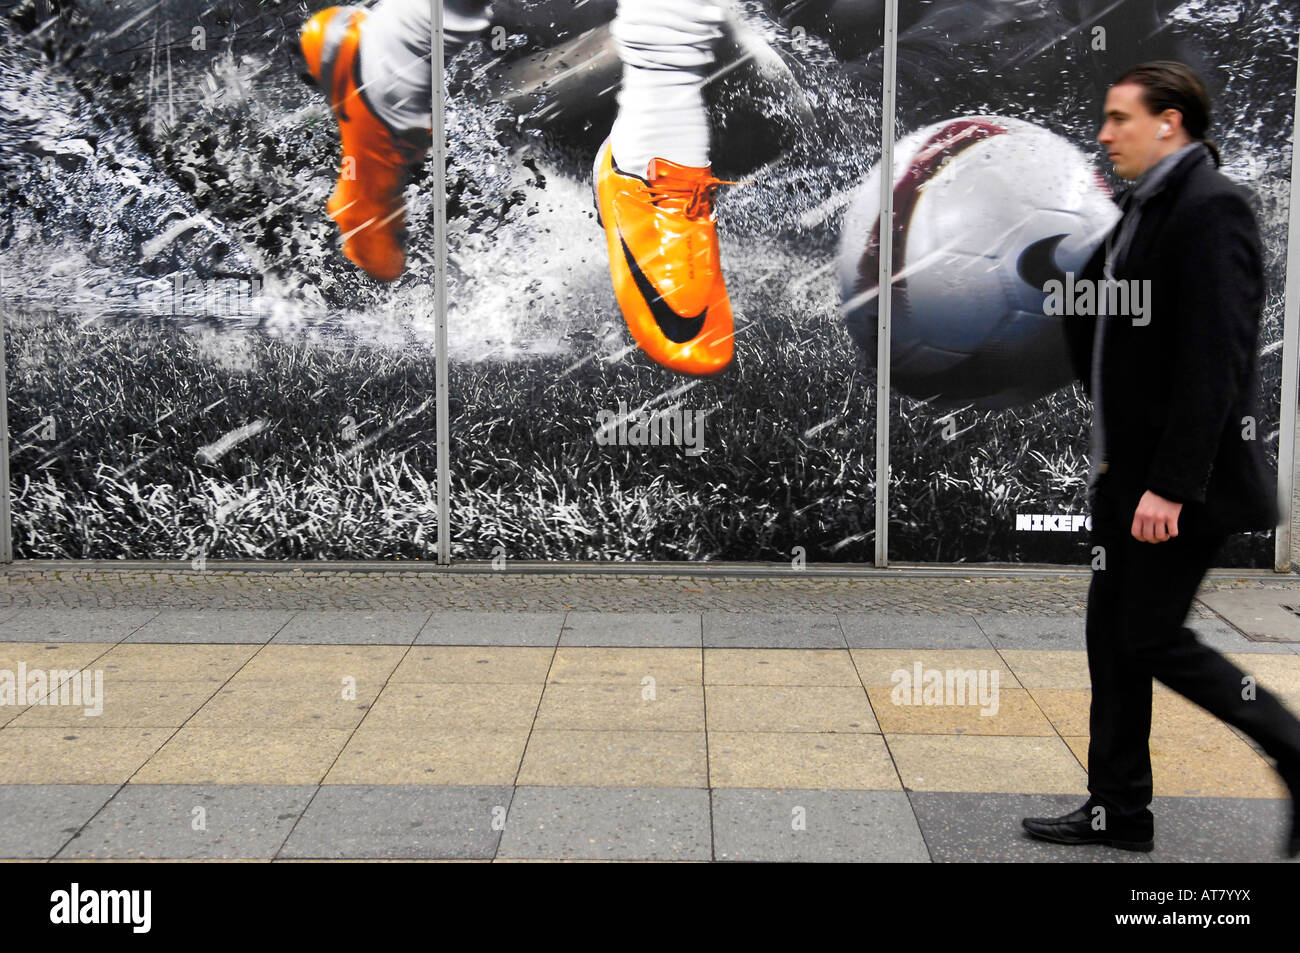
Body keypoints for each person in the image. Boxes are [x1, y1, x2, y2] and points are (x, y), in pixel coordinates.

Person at [1021, 61, 1300, 858]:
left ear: (1169, 122)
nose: (1105, 135)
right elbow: (1104, 315)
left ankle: (1294, 747)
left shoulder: (1213, 210)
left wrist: (1171, 486)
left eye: (1119, 118)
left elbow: (1216, 360)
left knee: (1150, 637)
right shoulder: (1146, 208)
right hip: (1125, 477)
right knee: (1113, 642)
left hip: (1178, 488)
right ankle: (1117, 812)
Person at [297, 0, 739, 375]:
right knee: (723, 45)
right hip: (513, 83)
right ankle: (656, 144)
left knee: (744, 61)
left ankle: (390, 58)